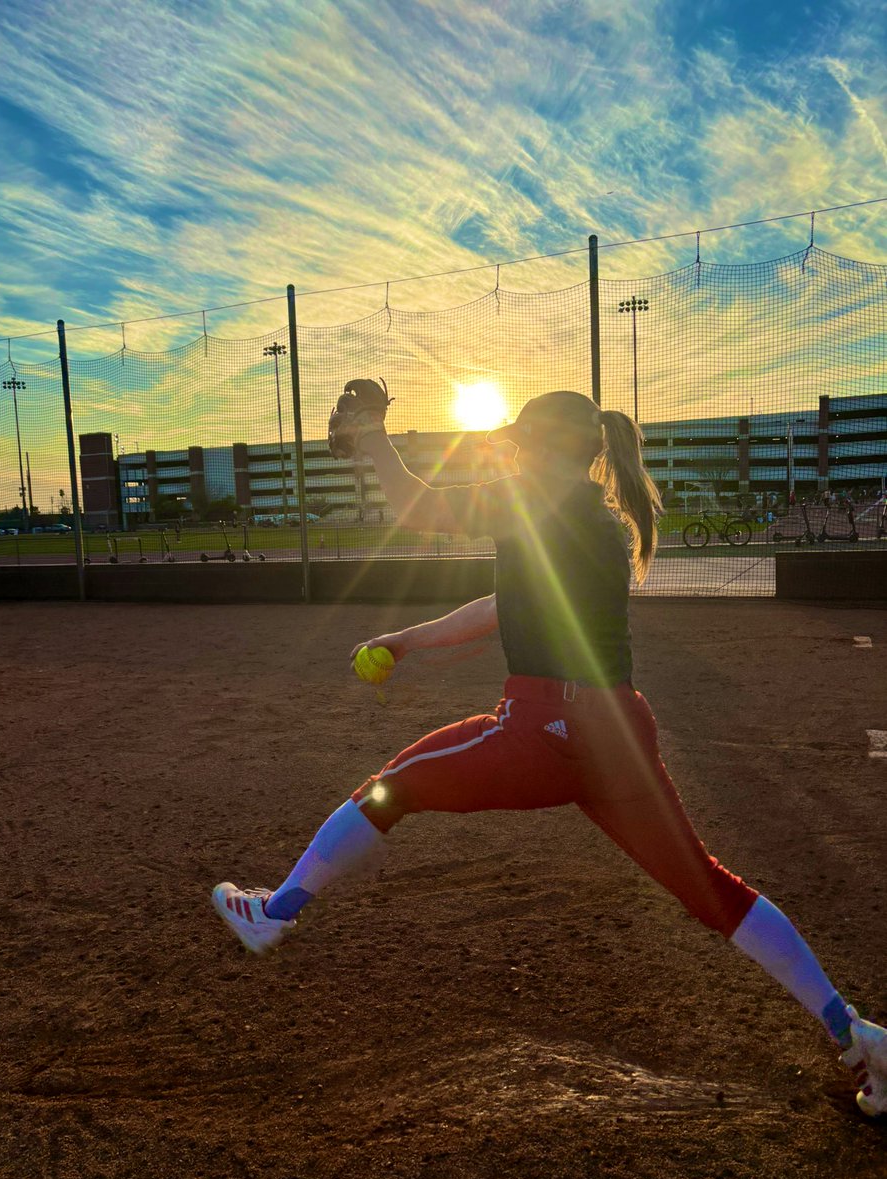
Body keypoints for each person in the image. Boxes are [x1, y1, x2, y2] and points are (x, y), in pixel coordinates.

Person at [212, 388, 886, 1117]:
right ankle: (855, 1032)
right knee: (711, 890)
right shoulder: (591, 520)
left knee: (392, 786)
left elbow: (422, 508)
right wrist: (410, 640)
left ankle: (275, 912)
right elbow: (505, 605)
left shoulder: (533, 501)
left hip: (548, 729)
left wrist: (375, 440)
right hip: (619, 731)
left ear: (540, 445)